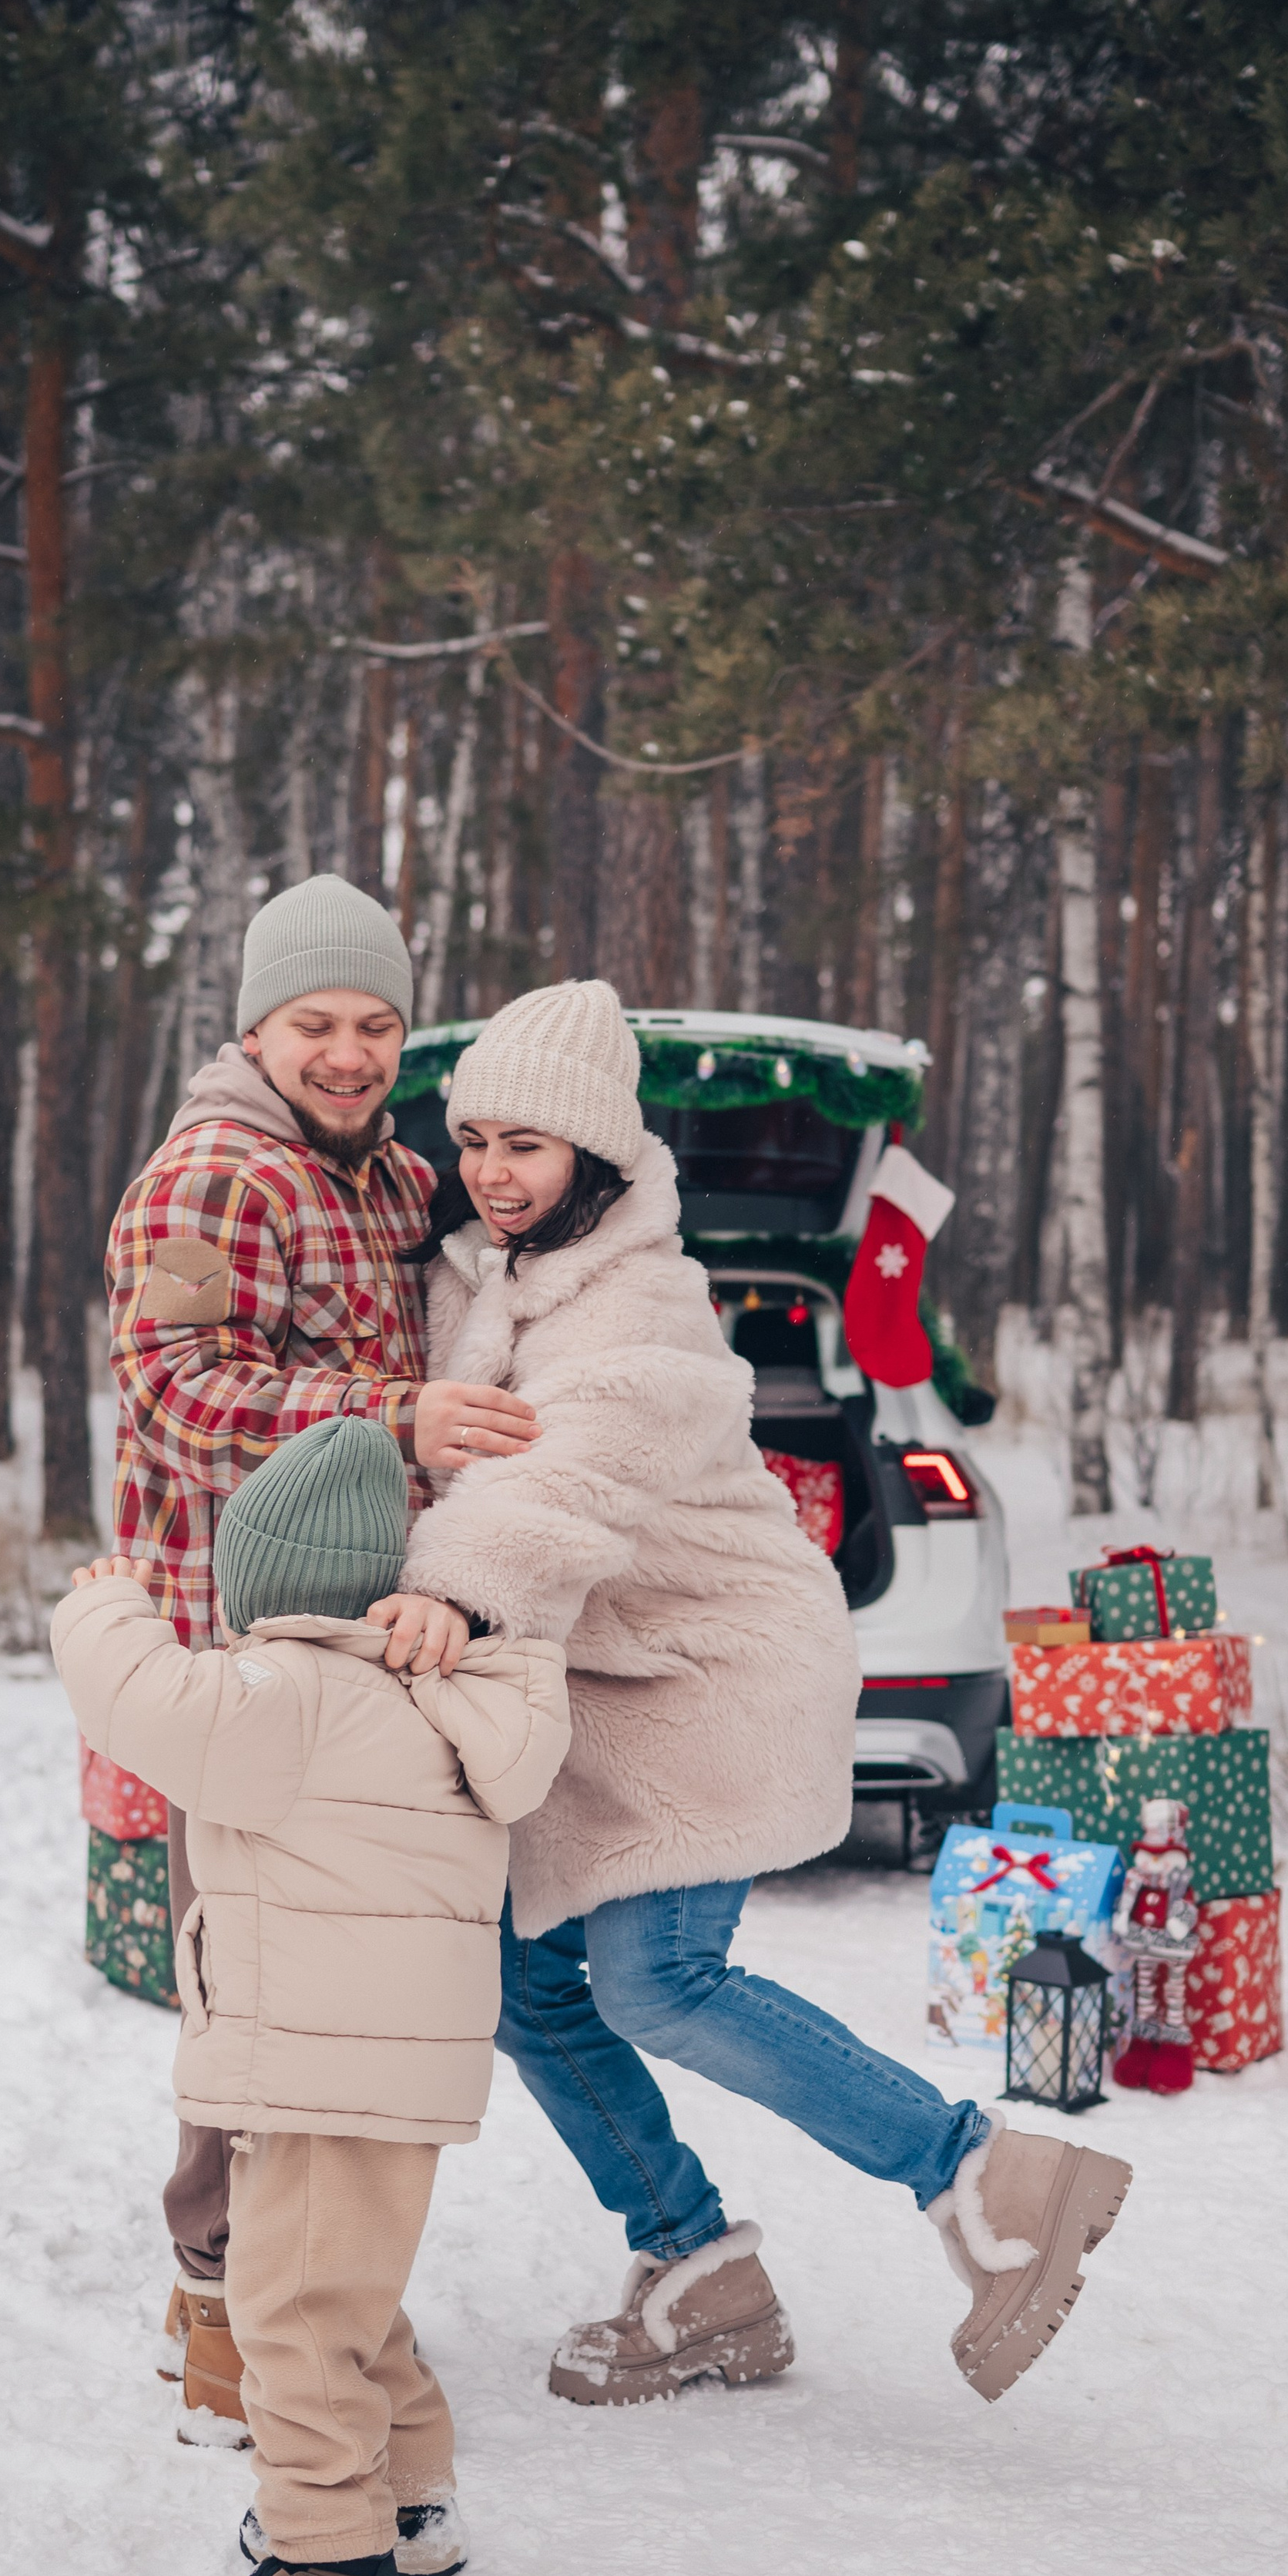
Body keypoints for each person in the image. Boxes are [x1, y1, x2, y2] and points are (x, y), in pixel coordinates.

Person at [380, 980, 1134, 2410]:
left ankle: (986, 2178)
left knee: (655, 1983)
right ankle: (696, 2271)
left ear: (596, 1153)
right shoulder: (485, 1278)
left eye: (526, 1142)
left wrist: (457, 1587)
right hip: (607, 1686)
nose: (491, 1167)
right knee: (529, 1997)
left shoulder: (644, 1311)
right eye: (474, 1135)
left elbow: (566, 1478)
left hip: (716, 1677)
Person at [103, 872, 534, 2425]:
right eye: (313, 1022)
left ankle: (249, 2291)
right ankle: (221, 2293)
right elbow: (176, 1387)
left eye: (373, 1022)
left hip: (345, 1640)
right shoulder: (216, 1173)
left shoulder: (382, 1169)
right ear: (253, 1026)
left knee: (316, 1982)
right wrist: (387, 1414)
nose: (347, 1050)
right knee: (255, 1985)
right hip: (233, 1653)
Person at [53, 1416, 570, 2576]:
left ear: (264, 1583)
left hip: (319, 2066)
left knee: (289, 2313)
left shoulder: (287, 1695)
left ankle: (334, 2567)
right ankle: (410, 2502)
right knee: (350, 2300)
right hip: (390, 2072)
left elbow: (135, 1697)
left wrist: (105, 1607)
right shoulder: (436, 1696)